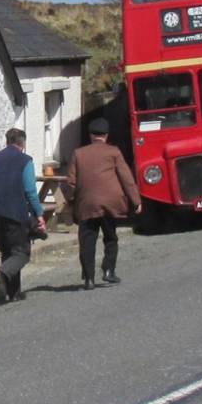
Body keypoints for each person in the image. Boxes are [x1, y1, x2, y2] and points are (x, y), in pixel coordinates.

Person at [66, 117, 142, 289]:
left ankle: (89, 279)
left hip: (87, 204)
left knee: (87, 241)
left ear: (90, 135)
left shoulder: (79, 153)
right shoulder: (113, 152)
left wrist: (70, 201)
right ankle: (109, 271)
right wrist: (135, 200)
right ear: (106, 136)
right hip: (111, 204)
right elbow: (126, 178)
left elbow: (70, 182)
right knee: (110, 237)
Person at [0, 127, 45, 302]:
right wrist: (39, 214)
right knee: (21, 252)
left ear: (7, 141)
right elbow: (30, 190)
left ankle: (13, 292)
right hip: (15, 212)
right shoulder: (25, 160)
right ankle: (2, 274)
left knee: (7, 251)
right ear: (22, 143)